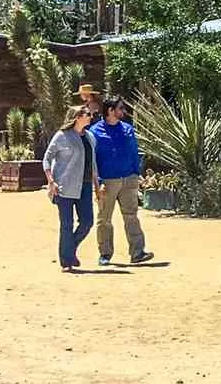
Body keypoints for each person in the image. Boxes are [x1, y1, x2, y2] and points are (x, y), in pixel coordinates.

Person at [90, 95, 152, 266]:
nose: (124, 111)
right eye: (120, 108)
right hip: (107, 182)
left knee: (131, 215)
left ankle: (137, 252)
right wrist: (98, 182)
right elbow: (92, 160)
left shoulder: (127, 129)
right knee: (105, 219)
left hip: (128, 180)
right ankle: (105, 253)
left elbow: (134, 151)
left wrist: (136, 173)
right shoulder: (95, 132)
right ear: (110, 111)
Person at [45, 104, 96, 273]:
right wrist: (51, 181)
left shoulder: (90, 137)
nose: (90, 116)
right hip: (64, 185)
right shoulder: (62, 136)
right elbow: (47, 158)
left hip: (85, 185)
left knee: (87, 222)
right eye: (87, 113)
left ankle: (69, 250)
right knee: (67, 223)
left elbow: (93, 164)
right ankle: (67, 260)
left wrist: (97, 185)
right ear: (77, 117)